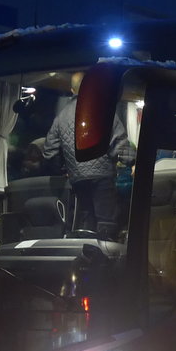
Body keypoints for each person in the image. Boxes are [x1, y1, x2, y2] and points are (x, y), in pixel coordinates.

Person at [42, 73, 135, 239]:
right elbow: (118, 143)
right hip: (102, 175)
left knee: (87, 220)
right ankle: (106, 258)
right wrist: (132, 162)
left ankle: (88, 258)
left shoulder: (61, 117)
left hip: (77, 177)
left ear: (72, 90)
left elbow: (49, 152)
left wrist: (63, 169)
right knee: (107, 221)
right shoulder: (101, 110)